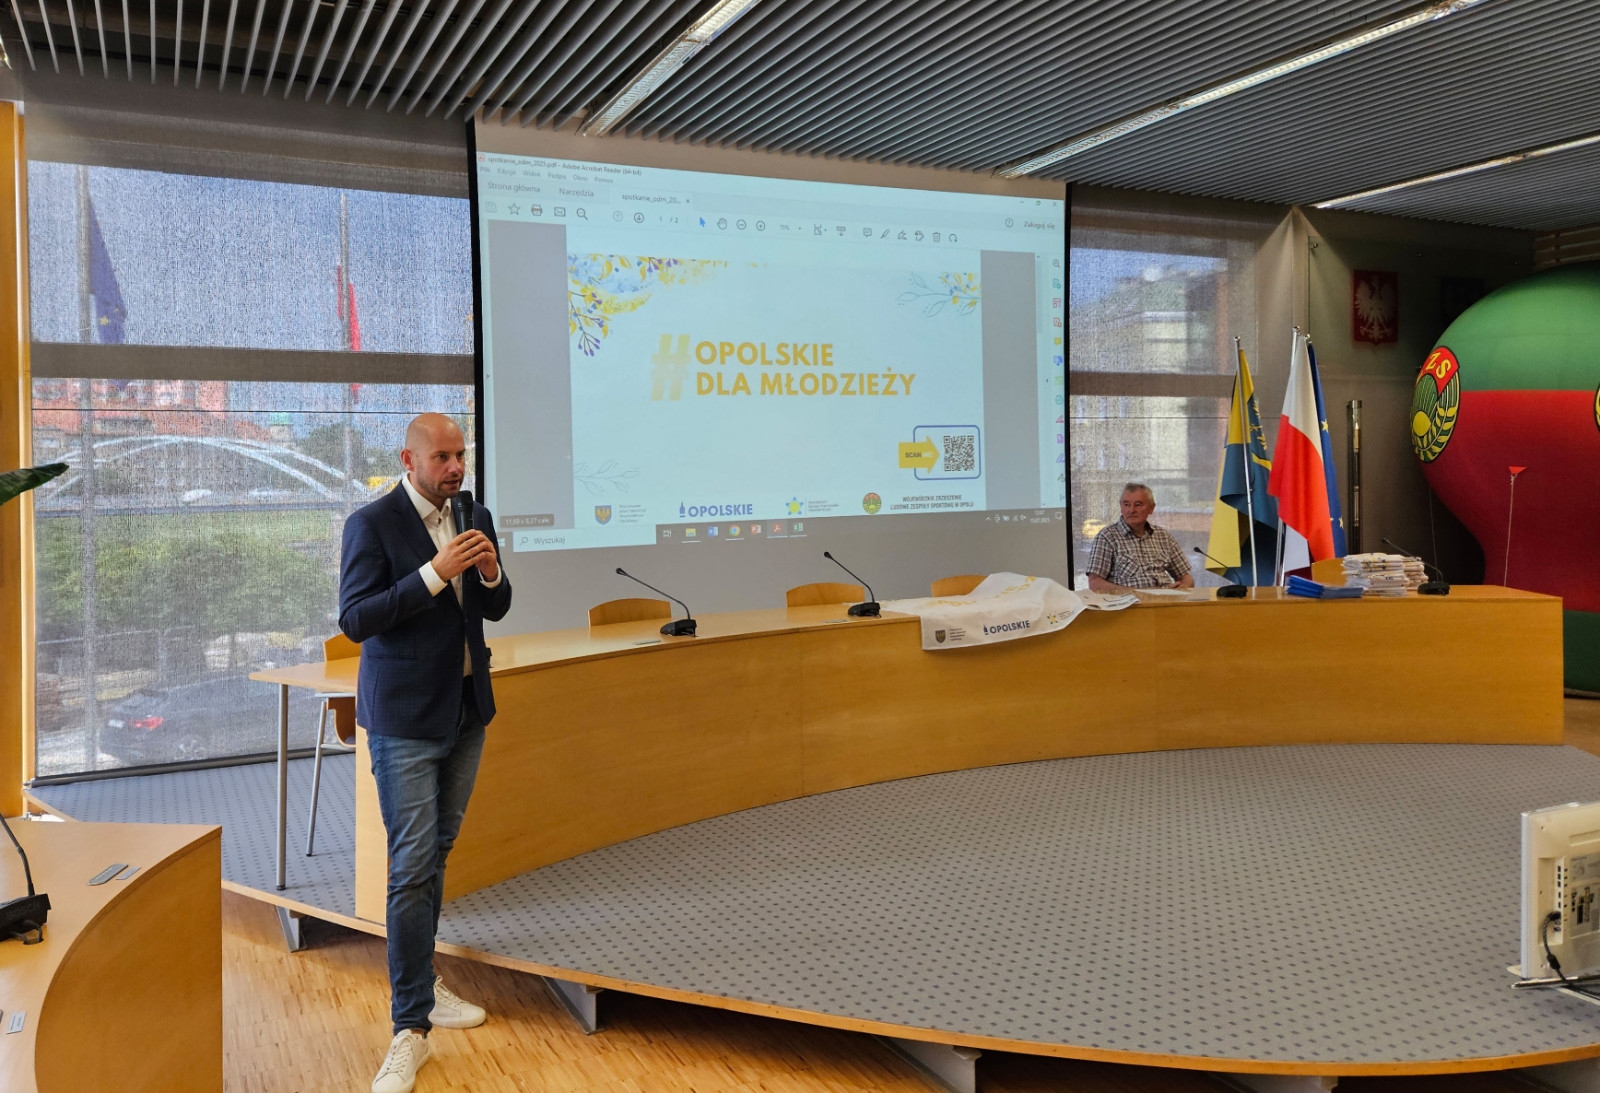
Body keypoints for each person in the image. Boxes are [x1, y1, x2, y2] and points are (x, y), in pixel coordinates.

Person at [339, 413, 513, 1093]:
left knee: (435, 852)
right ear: (408, 459)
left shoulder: (475, 515)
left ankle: (424, 983)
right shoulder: (372, 523)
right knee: (411, 866)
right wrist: (434, 574)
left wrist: (491, 574)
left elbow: (494, 609)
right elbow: (357, 618)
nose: (456, 467)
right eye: (442, 456)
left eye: (460, 454)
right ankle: (408, 1029)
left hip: (467, 710)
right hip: (404, 719)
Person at [1085, 482, 1194, 592]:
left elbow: (1186, 577)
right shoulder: (1107, 536)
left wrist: (1183, 587)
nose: (1131, 510)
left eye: (1138, 505)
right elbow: (1095, 583)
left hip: (1165, 599)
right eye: (1126, 504)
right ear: (1121, 507)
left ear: (1151, 508)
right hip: (1129, 601)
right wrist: (1133, 593)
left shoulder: (1163, 536)